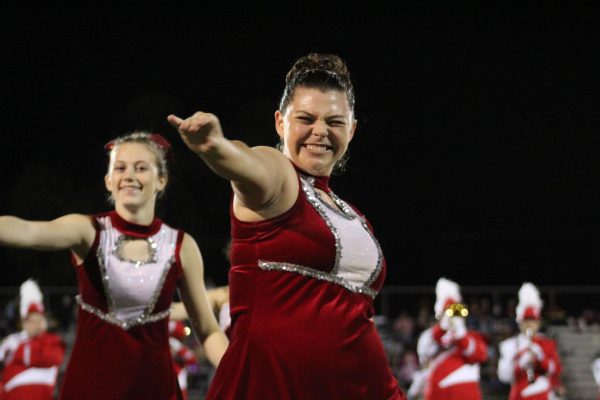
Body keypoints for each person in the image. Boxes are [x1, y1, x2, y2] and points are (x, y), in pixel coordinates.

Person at [168, 53, 406, 399]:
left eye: (335, 122)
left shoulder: (353, 215)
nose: (320, 131)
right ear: (281, 123)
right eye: (305, 118)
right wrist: (216, 148)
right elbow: (248, 164)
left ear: (351, 130)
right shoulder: (280, 177)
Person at [0, 132, 228, 399]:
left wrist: (240, 373)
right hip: (91, 388)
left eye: (141, 168)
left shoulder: (181, 245)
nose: (129, 175)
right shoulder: (88, 231)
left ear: (161, 180)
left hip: (155, 389)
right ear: (109, 180)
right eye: (120, 168)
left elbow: (207, 329)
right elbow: (28, 231)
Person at [409, 277, 488, 400]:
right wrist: (442, 327)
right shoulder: (429, 336)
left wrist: (461, 335)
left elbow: (480, 355)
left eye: (457, 311)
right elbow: (424, 355)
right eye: (449, 311)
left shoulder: (472, 336)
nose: (454, 315)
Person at [497, 282, 565, 400]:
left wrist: (540, 357)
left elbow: (555, 370)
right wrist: (519, 360)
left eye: (533, 320)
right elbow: (504, 377)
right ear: (520, 323)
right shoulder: (509, 345)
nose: (529, 324)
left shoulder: (547, 344)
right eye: (526, 320)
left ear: (538, 323)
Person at [0, 279, 65, 400]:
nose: (35, 324)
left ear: (44, 322)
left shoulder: (53, 340)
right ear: (24, 323)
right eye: (31, 321)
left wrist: (21, 349)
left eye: (38, 320)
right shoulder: (12, 340)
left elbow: (52, 357)